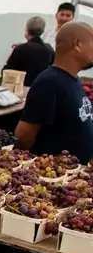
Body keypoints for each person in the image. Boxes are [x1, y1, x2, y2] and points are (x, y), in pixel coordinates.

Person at [15, 21, 93, 163]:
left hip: (73, 177)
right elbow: (24, 135)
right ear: (77, 44)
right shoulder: (49, 82)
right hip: (54, 178)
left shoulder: (73, 80)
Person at [3, 16, 54, 86]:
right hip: (40, 89)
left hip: (22, 89)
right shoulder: (49, 50)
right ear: (42, 31)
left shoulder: (20, 49)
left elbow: (6, 72)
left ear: (27, 29)